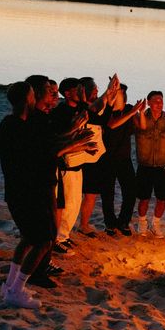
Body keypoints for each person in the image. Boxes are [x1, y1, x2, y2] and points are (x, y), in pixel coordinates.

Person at [0, 81, 93, 308]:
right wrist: (74, 142)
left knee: (29, 239)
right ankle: (17, 289)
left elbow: (47, 146)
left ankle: (10, 285)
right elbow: (45, 153)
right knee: (43, 240)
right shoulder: (15, 127)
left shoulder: (15, 124)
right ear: (27, 100)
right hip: (27, 191)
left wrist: (72, 139)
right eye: (33, 95)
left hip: (22, 190)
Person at [50, 75, 119, 250]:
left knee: (74, 204)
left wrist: (110, 96)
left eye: (82, 89)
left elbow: (101, 120)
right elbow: (61, 136)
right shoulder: (61, 111)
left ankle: (64, 236)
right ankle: (57, 238)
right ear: (67, 93)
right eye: (77, 89)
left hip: (78, 163)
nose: (81, 92)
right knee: (65, 205)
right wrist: (79, 144)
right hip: (66, 163)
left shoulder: (81, 107)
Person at [101, 84, 145, 236]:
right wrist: (132, 112)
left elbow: (141, 127)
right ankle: (109, 223)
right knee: (108, 193)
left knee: (130, 190)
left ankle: (123, 221)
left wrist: (141, 112)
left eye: (121, 93)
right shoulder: (107, 111)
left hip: (124, 158)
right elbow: (112, 125)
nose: (119, 95)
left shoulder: (128, 109)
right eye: (118, 92)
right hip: (107, 158)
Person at [133, 91, 165, 238]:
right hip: (145, 165)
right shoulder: (140, 118)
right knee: (143, 197)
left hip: (163, 165)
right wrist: (141, 112)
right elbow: (142, 129)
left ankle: (156, 223)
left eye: (161, 100)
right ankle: (142, 223)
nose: (159, 103)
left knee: (162, 198)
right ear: (149, 103)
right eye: (155, 101)